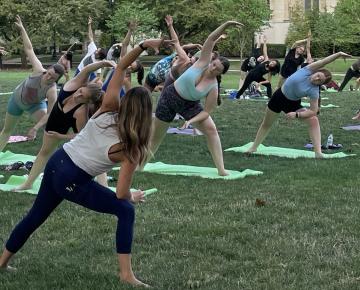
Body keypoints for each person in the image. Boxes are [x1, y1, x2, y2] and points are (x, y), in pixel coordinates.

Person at [0, 38, 170, 287]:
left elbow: (120, 67)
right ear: (146, 116)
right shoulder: (132, 148)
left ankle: (2, 262)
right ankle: (126, 275)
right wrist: (132, 196)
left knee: (36, 215)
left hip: (58, 161)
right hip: (71, 177)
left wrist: (143, 45)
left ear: (126, 100)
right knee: (125, 210)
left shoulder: (110, 106)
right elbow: (122, 194)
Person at [150, 20, 243, 176]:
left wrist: (190, 121)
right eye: (214, 64)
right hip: (169, 97)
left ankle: (221, 169)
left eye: (217, 70)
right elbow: (211, 39)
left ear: (220, 73)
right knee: (156, 137)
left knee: (212, 130)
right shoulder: (203, 62)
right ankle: (140, 165)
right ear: (212, 61)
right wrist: (226, 24)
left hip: (189, 106)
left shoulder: (213, 87)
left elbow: (206, 112)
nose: (213, 68)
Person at [13, 59, 116, 192]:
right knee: (44, 152)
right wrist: (104, 63)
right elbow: (87, 69)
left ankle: (104, 188)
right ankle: (28, 183)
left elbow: (81, 135)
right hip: (55, 122)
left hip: (65, 128)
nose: (78, 95)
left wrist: (61, 136)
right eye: (80, 91)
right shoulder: (72, 86)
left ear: (88, 102)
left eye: (82, 97)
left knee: (93, 152)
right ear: (82, 86)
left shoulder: (80, 112)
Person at [246, 51, 351, 158]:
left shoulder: (314, 91)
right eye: (318, 76)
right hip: (278, 97)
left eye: (320, 81)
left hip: (292, 104)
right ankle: (254, 147)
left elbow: (313, 110)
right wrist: (338, 54)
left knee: (314, 120)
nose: (317, 79)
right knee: (266, 124)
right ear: (316, 72)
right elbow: (324, 61)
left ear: (321, 84)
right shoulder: (307, 70)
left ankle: (318, 153)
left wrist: (297, 115)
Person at [0, 16, 64, 152]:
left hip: (34, 105)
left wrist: (35, 128)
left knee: (51, 127)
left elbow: (50, 114)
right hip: (16, 101)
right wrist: (22, 29)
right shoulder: (38, 70)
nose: (47, 77)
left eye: (52, 78)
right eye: (48, 73)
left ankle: (52, 157)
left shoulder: (52, 91)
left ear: (55, 81)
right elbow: (29, 49)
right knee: (7, 131)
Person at [74, 16, 107, 81]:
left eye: (98, 51)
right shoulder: (93, 49)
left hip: (86, 76)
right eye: (98, 49)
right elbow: (91, 36)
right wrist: (89, 25)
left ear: (99, 55)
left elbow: (98, 76)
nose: (96, 50)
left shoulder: (98, 64)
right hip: (79, 70)